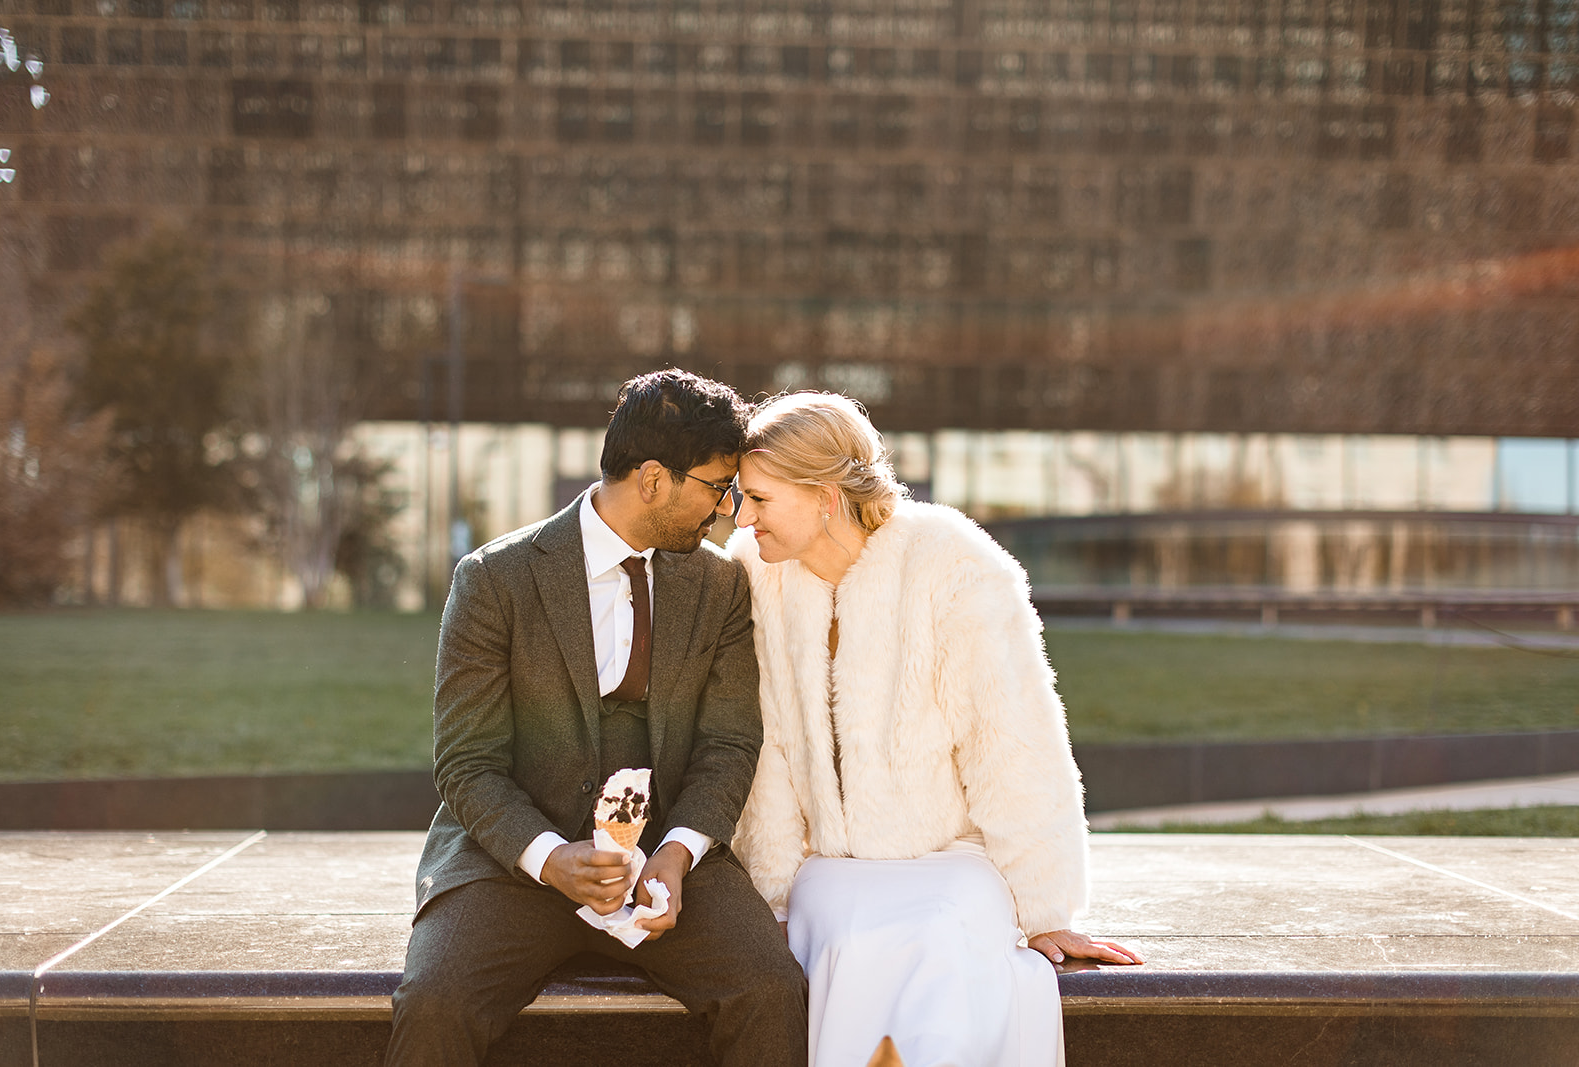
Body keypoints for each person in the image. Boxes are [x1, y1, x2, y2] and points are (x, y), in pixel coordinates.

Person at [386, 369, 807, 1067]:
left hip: (669, 870)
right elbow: (467, 762)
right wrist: (552, 859)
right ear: (651, 479)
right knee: (435, 1005)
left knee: (769, 989)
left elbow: (729, 742)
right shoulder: (494, 579)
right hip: (509, 865)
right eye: (714, 486)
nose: (727, 510)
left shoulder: (721, 584)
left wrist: (676, 853)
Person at [728, 392, 1142, 1067]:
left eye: (759, 499)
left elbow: (1011, 741)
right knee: (848, 942)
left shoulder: (953, 563)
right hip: (832, 872)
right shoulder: (754, 573)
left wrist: (1045, 911)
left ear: (825, 495)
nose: (743, 517)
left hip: (955, 862)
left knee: (945, 943)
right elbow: (768, 752)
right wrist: (773, 894)